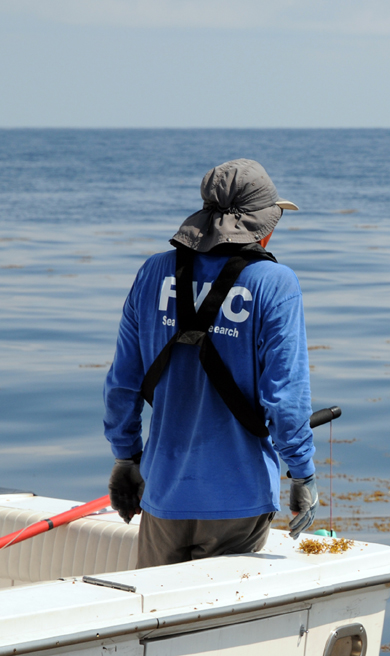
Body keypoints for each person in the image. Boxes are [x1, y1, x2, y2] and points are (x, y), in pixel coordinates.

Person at [103, 159, 319, 568]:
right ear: (261, 227)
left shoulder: (152, 272)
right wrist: (302, 472)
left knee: (158, 623)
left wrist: (125, 458)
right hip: (238, 500)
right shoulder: (275, 283)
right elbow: (285, 401)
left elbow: (122, 384)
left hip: (162, 493)